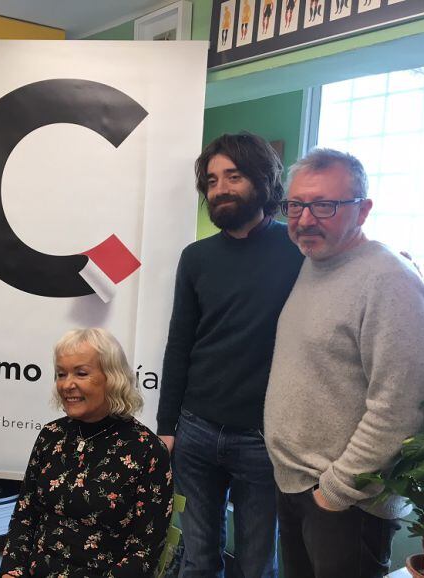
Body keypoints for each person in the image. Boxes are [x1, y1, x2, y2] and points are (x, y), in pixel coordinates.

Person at [264, 149, 424, 578]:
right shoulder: (314, 261)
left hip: (345, 503)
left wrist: (335, 491)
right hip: (297, 485)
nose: (304, 219)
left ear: (363, 210)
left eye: (325, 205)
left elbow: (399, 407)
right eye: (296, 205)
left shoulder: (389, 280)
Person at [156, 132, 304, 577]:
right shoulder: (196, 258)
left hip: (263, 439)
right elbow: (180, 343)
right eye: (212, 180)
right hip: (196, 433)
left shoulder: (298, 252)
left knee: (258, 564)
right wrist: (167, 428)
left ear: (262, 179)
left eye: (233, 176)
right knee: (198, 559)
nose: (219, 188)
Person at [0, 328, 173, 578]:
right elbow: (25, 515)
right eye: (61, 374)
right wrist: (11, 571)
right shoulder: (51, 435)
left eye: (81, 373)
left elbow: (144, 552)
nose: (67, 384)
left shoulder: (148, 450)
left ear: (112, 377)